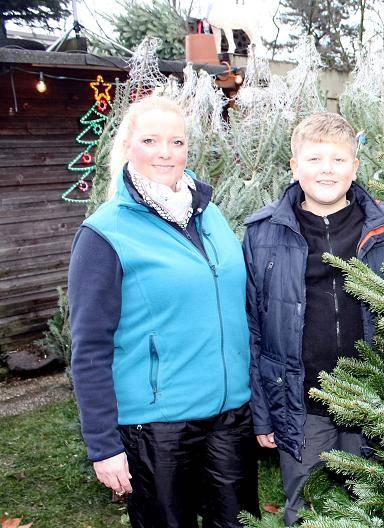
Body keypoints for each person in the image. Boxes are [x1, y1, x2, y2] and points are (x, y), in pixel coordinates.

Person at [69, 94, 259, 527]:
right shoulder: (105, 232)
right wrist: (103, 445)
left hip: (230, 416)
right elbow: (90, 347)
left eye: (177, 142)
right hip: (158, 426)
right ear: (128, 146)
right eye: (151, 140)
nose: (165, 153)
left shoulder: (209, 215)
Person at [242, 112, 384, 526]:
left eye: (338, 160)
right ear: (294, 166)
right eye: (315, 159)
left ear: (354, 167)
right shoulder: (263, 232)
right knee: (306, 507)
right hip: (302, 401)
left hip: (374, 396)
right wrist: (263, 411)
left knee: (376, 503)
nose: (327, 170)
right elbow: (252, 325)